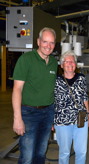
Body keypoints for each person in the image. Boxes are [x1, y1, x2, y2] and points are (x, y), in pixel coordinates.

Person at [12, 27, 58, 164]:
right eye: (45, 41)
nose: (48, 46)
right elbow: (17, 89)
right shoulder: (25, 59)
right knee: (27, 156)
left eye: (51, 43)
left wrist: (53, 117)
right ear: (38, 41)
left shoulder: (54, 63)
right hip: (29, 112)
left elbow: (51, 89)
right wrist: (17, 118)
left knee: (40, 153)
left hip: (48, 112)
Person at [54, 50, 89, 164]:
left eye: (73, 61)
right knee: (64, 152)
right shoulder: (56, 80)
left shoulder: (81, 78)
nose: (70, 64)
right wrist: (51, 121)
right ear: (61, 65)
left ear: (75, 64)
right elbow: (53, 101)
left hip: (81, 120)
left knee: (81, 151)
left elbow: (85, 97)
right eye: (67, 61)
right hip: (62, 122)